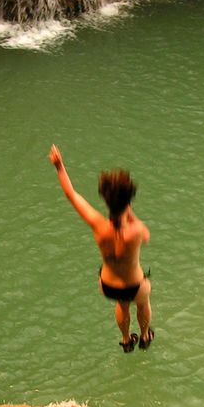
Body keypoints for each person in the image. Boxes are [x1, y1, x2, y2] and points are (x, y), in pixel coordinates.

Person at [49, 144, 153, 352]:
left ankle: (125, 340)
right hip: (133, 285)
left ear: (106, 202)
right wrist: (130, 212)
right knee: (143, 302)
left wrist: (59, 166)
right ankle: (144, 336)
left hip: (107, 285)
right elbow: (147, 236)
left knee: (122, 305)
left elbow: (71, 194)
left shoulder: (97, 224)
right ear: (128, 201)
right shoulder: (136, 230)